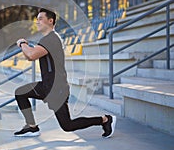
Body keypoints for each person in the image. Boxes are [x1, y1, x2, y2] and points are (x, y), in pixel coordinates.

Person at [14, 8, 116, 138]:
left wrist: (22, 43)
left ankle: (105, 120)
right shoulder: (48, 39)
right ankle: (32, 127)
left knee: (68, 126)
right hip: (47, 85)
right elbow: (30, 56)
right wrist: (26, 47)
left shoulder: (51, 39)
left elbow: (32, 55)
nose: (37, 22)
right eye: (37, 19)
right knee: (20, 93)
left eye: (40, 19)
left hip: (57, 88)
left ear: (50, 21)